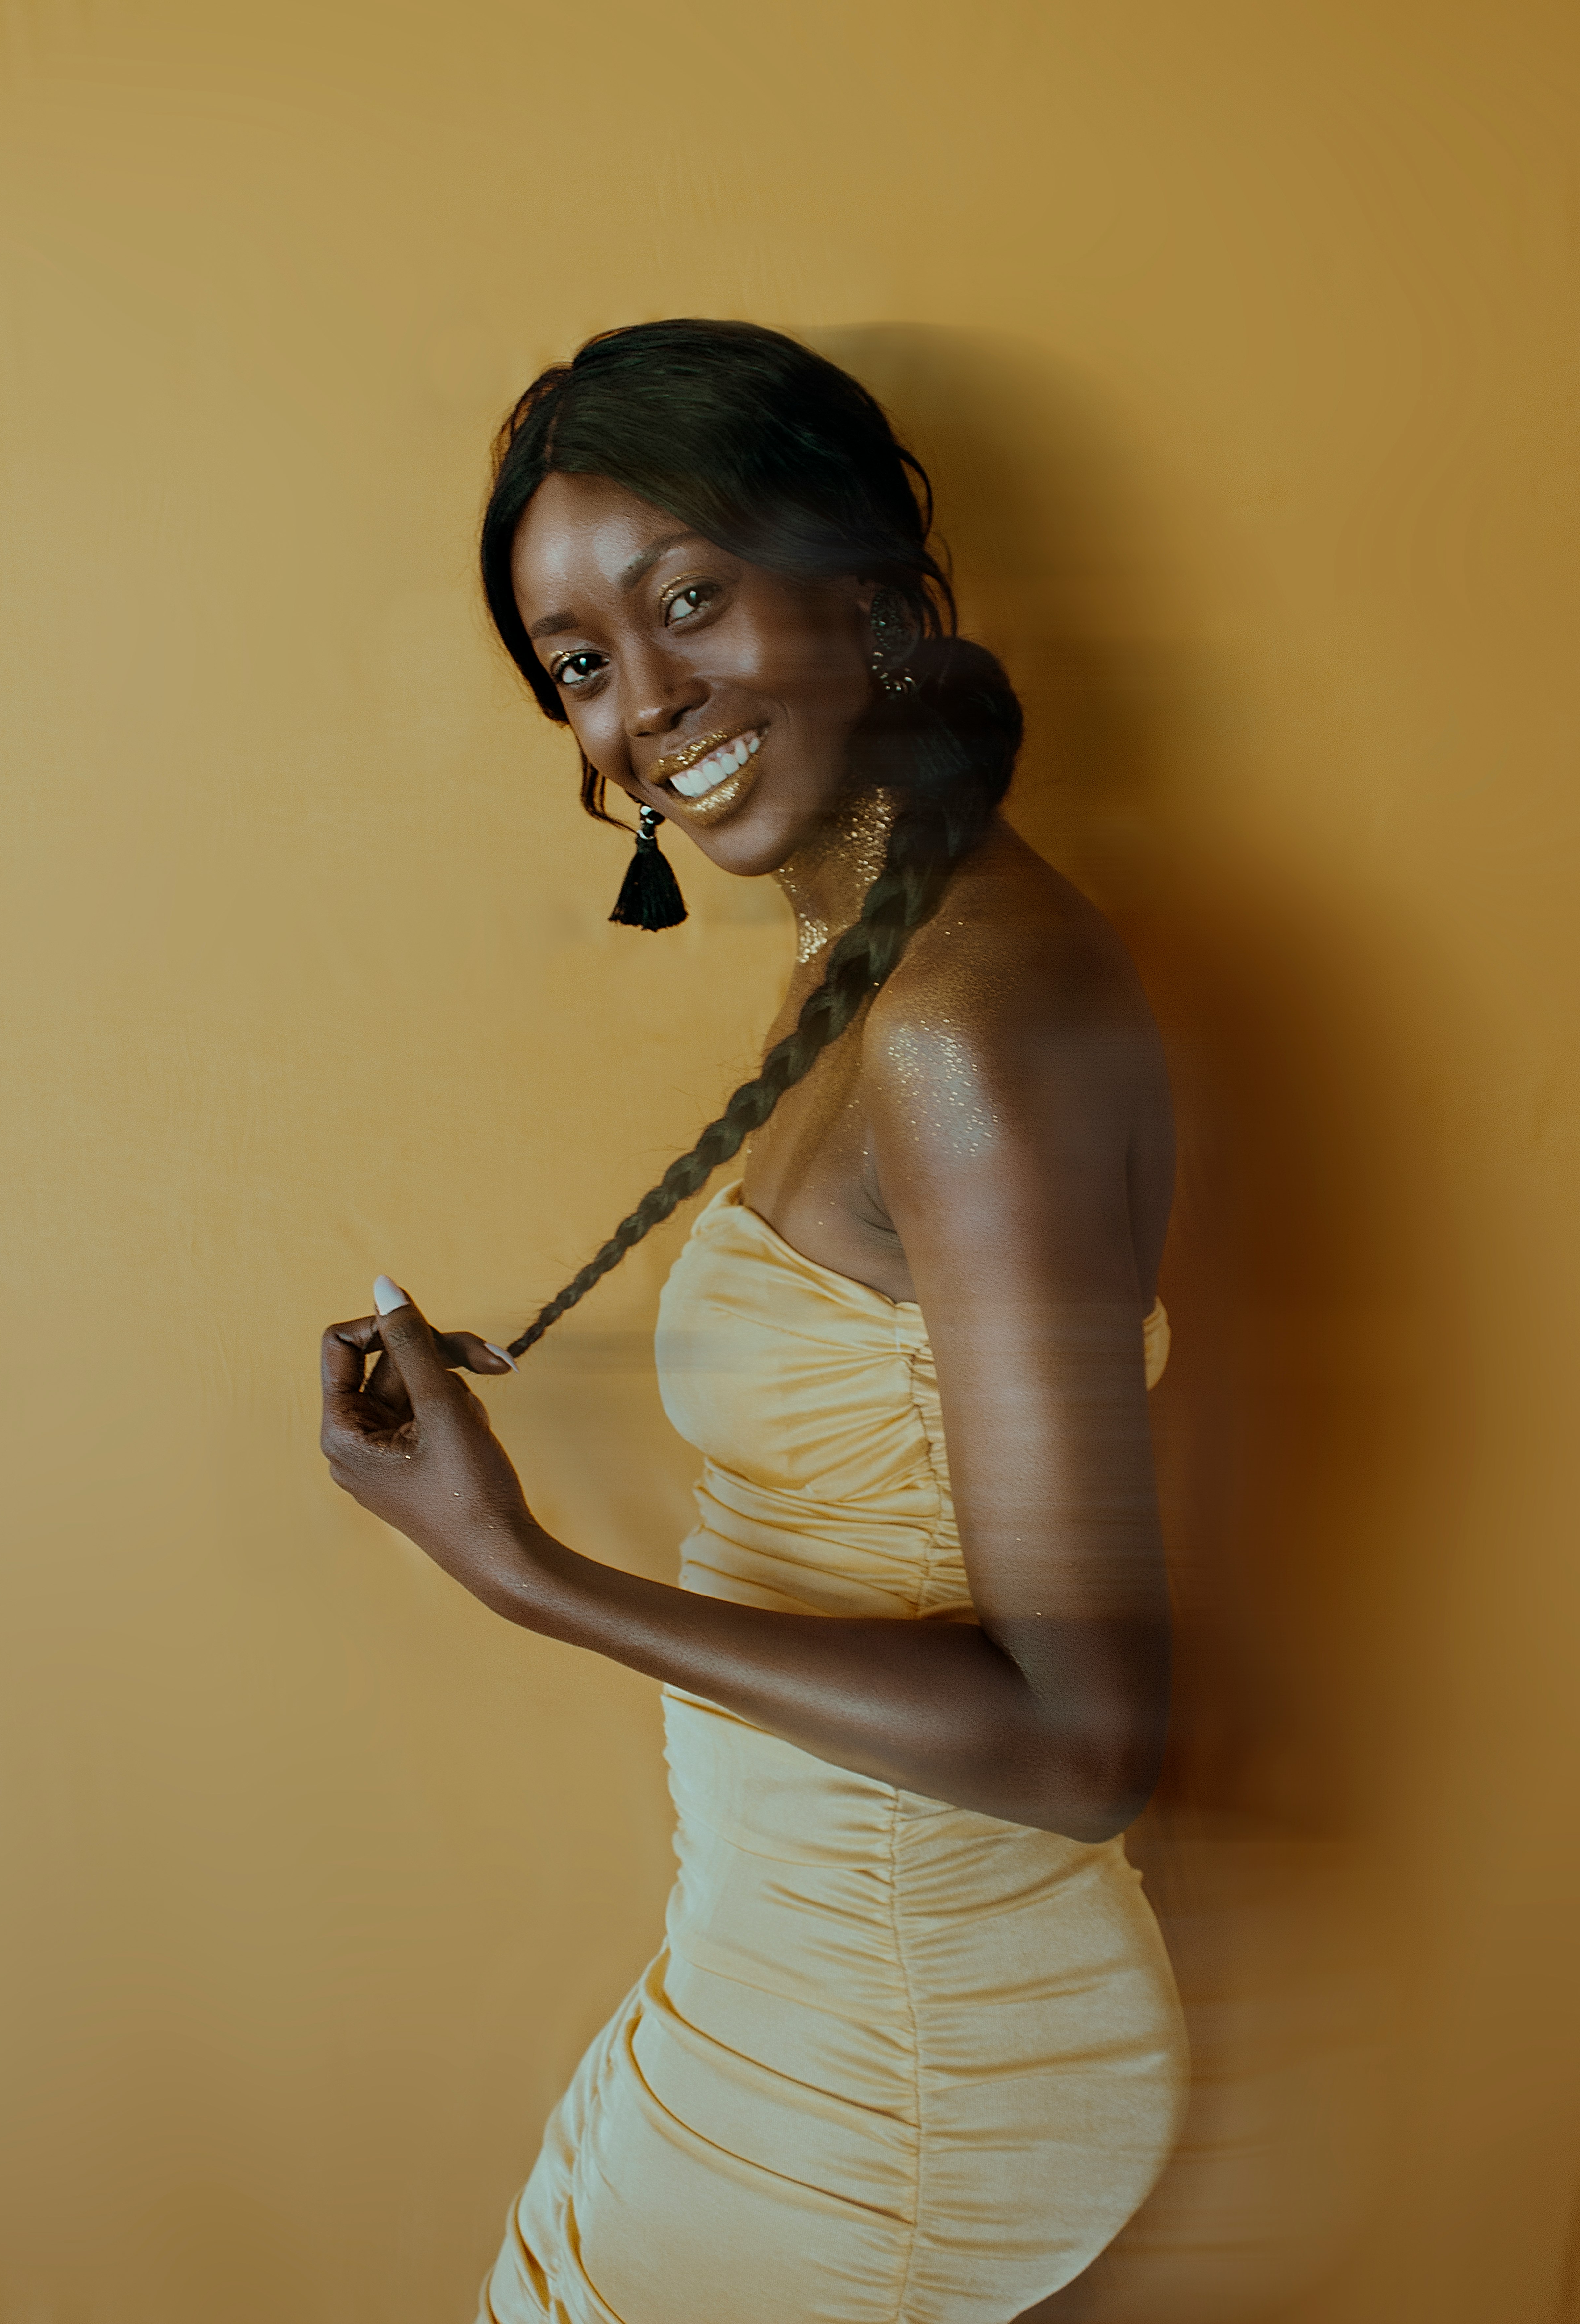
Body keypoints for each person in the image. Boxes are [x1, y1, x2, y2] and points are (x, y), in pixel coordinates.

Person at [319, 319, 1188, 2324]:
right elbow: (894, 1381)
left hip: (905, 2038)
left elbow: (1090, 1740)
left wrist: (522, 1570)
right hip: (804, 1968)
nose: (642, 707)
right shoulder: (872, 964)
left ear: (879, 595)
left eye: (689, 594)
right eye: (582, 662)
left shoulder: (968, 1017)